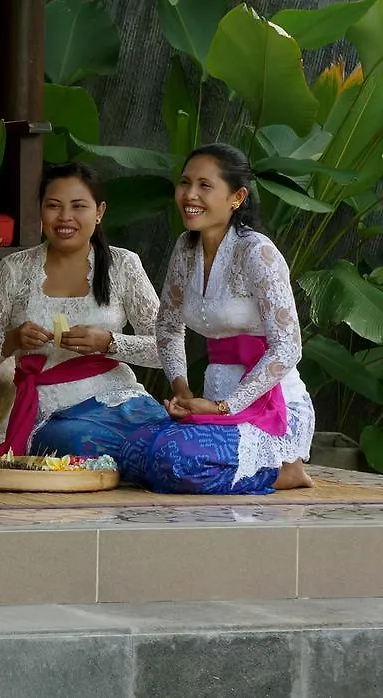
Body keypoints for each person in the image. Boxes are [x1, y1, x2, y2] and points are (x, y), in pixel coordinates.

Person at [119, 144, 314, 494]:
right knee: (132, 452)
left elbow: (288, 347)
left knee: (174, 459)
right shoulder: (185, 247)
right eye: (185, 183)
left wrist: (226, 406)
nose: (189, 195)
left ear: (236, 197)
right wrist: (182, 391)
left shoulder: (259, 253)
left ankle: (285, 470)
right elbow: (167, 326)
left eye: (204, 186)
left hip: (269, 405)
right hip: (211, 402)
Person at [0, 162, 166, 459]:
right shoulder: (15, 269)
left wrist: (109, 342)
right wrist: (13, 340)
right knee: (76, 442)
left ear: (99, 212)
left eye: (78, 206)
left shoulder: (124, 265)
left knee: (167, 436)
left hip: (120, 400)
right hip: (53, 413)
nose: (65, 217)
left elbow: (168, 350)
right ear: (41, 211)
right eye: (53, 206)